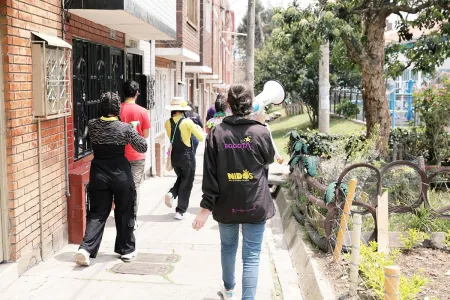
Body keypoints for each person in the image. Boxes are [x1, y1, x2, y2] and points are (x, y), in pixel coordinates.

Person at [193, 84, 275, 300]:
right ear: (251, 105)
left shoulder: (217, 133)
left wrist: (205, 208)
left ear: (228, 104)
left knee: (228, 247)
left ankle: (228, 290)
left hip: (225, 203)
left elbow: (209, 173)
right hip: (254, 203)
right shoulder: (260, 131)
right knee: (251, 257)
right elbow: (269, 159)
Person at [75, 92, 147, 266]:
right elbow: (142, 146)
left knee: (98, 213)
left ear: (101, 107)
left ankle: (86, 249)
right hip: (121, 174)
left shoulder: (92, 125)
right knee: (124, 210)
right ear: (117, 108)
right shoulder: (125, 128)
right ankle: (126, 250)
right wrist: (132, 129)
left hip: (98, 173)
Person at [164, 97, 205, 220]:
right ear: (183, 110)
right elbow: (201, 137)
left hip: (174, 155)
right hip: (187, 156)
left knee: (182, 178)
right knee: (187, 183)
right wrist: (196, 129)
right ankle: (181, 211)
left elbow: (172, 137)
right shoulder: (187, 122)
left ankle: (172, 193)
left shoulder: (167, 122)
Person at [120, 80, 150, 216]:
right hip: (137, 155)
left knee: (121, 186)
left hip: (120, 154)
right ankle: (132, 217)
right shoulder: (143, 111)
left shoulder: (117, 110)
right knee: (135, 187)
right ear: (137, 93)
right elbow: (146, 134)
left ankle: (121, 214)